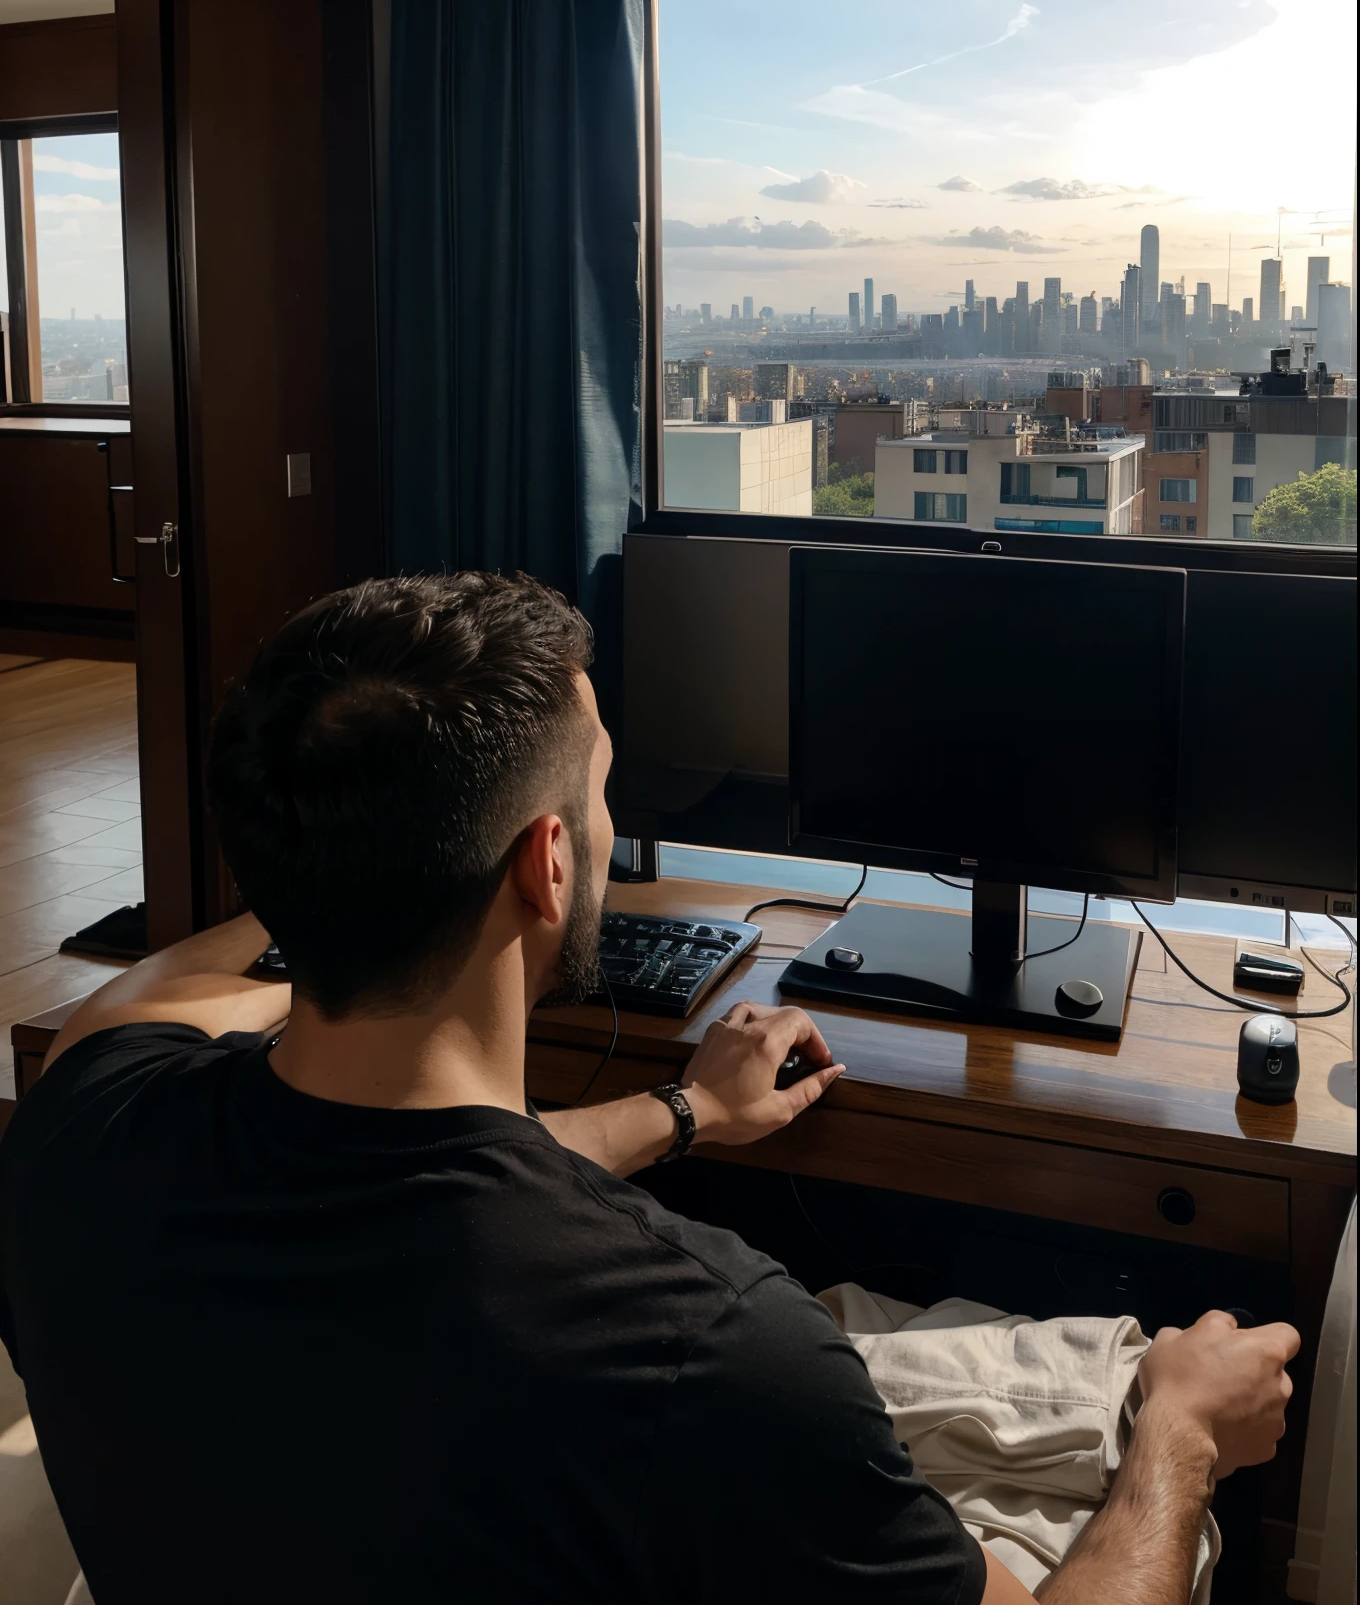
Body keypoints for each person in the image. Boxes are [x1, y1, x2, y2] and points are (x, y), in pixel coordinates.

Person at [0, 573, 1297, 1604]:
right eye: (604, 790)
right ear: (546, 864)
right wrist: (1180, 1435)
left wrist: (685, 1112)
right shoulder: (711, 1351)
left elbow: (155, 1013)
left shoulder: (83, 1121)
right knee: (1129, 1398)